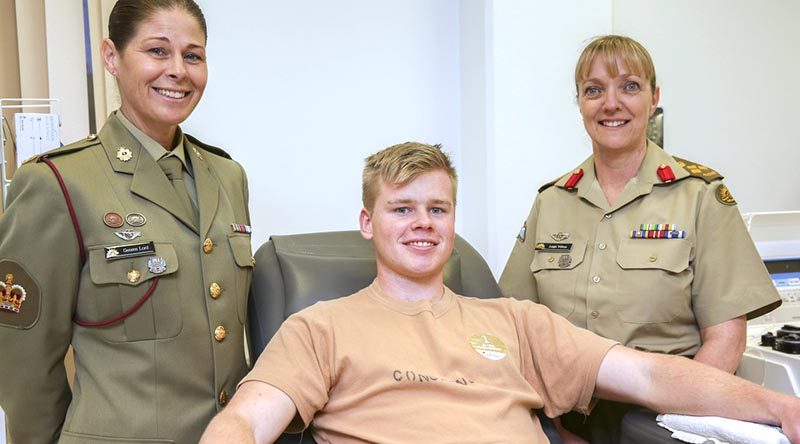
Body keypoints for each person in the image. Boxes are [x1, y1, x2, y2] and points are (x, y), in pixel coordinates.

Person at [199, 142, 799, 444]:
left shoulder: (514, 321)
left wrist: (779, 407)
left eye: (437, 208)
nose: (422, 223)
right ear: (367, 222)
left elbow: (650, 376)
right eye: (401, 208)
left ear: (454, 220)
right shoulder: (319, 327)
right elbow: (248, 423)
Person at [499, 35, 781, 442]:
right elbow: (515, 327)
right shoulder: (552, 201)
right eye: (594, 90)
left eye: (629, 86)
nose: (610, 103)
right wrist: (553, 429)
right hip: (563, 418)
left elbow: (725, 339)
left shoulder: (699, 196)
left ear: (654, 98)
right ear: (579, 103)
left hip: (660, 418)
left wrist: (669, 425)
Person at [0, 1, 253, 442]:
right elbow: (23, 362)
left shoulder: (227, 176)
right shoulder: (57, 182)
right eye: (157, 51)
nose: (178, 70)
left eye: (193, 56)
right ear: (111, 57)